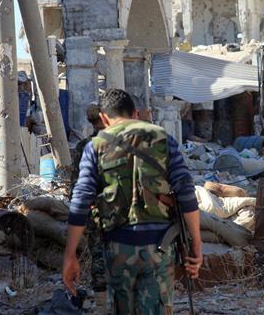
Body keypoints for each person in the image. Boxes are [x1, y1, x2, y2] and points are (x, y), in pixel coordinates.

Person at [63, 89, 203, 314]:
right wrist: (196, 243)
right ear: (136, 113)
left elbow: (80, 202)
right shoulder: (163, 139)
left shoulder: (95, 146)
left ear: (104, 118)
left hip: (119, 247)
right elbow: (186, 193)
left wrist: (70, 255)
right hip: (160, 245)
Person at [69, 104, 108, 311]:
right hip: (122, 215)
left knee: (99, 259)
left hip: (95, 213)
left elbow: (75, 187)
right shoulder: (119, 143)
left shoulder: (84, 146)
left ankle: (103, 307)